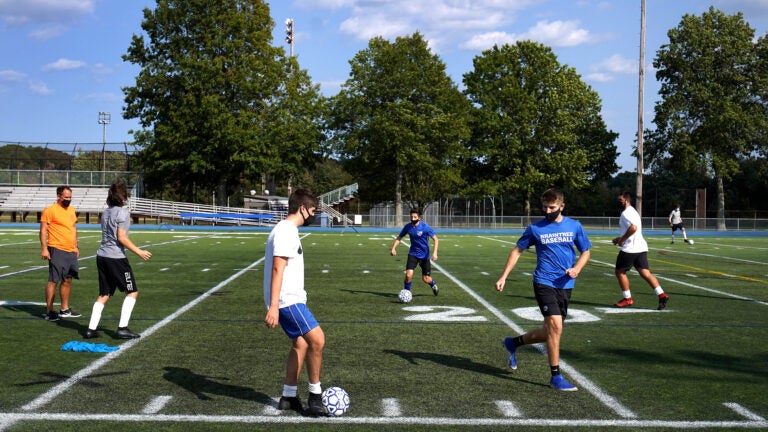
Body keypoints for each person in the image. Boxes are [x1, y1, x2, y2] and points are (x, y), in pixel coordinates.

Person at [495, 188, 591, 392]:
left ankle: (513, 343)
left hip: (565, 285)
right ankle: (555, 376)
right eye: (545, 207)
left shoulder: (574, 226)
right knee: (556, 327)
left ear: (562, 206)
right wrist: (504, 276)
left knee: (550, 332)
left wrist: (577, 269)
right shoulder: (535, 229)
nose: (548, 211)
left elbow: (586, 251)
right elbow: (517, 250)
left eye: (552, 207)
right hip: (543, 282)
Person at [263, 189, 325, 416]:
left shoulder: (287, 230)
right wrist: (273, 306)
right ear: (302, 208)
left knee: (301, 344)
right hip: (286, 300)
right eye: (312, 210)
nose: (313, 215)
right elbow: (278, 267)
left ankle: (288, 396)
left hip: (289, 298)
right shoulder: (286, 231)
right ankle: (315, 396)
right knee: (317, 339)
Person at [85, 182, 152, 339]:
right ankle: (122, 328)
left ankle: (91, 329)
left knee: (104, 293)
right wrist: (139, 252)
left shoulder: (105, 212)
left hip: (102, 256)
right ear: (123, 197)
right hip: (116, 258)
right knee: (132, 292)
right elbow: (121, 237)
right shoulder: (123, 213)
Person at [613, 191, 670, 310]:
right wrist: (619, 238)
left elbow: (633, 228)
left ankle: (627, 298)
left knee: (620, 272)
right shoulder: (633, 211)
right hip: (640, 247)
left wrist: (622, 240)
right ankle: (662, 294)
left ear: (626, 200)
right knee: (645, 273)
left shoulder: (626, 213)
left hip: (630, 249)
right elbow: (633, 230)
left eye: (620, 200)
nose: (619, 202)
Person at [40, 185, 82, 321]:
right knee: (53, 280)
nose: (69, 200)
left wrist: (76, 246)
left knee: (68, 279)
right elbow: (43, 230)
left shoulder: (71, 210)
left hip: (70, 249)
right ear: (59, 196)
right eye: (66, 197)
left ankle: (64, 309)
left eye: (70, 197)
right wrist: (44, 248)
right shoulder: (49, 210)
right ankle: (49, 311)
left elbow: (73, 228)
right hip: (56, 248)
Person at [390, 208, 439, 297]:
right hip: (413, 254)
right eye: (411, 217)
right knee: (408, 275)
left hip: (424, 256)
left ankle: (433, 284)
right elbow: (399, 237)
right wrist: (393, 248)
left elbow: (436, 239)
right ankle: (406, 293)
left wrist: (435, 253)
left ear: (419, 218)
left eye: (415, 217)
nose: (412, 218)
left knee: (425, 279)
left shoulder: (425, 227)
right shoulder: (407, 227)